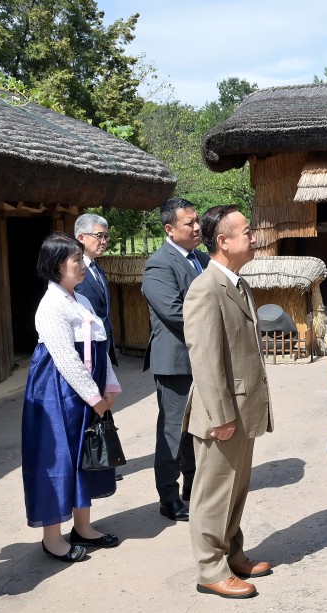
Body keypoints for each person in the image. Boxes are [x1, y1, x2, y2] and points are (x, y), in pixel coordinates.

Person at [183, 205, 273, 599]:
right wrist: (220, 415)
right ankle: (209, 569)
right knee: (214, 492)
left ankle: (232, 553)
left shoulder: (238, 283)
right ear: (223, 241)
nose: (253, 237)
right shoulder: (205, 289)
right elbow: (203, 358)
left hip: (243, 406)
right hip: (221, 411)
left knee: (236, 488)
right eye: (246, 231)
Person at [21, 233, 121, 564]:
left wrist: (109, 385)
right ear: (55, 266)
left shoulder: (81, 300)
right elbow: (65, 358)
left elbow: (99, 346)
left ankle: (83, 527)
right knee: (58, 459)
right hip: (58, 392)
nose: (81, 265)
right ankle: (52, 537)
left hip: (85, 391)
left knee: (85, 455)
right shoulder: (50, 306)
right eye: (75, 259)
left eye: (80, 258)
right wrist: (94, 398)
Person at [142, 198, 208, 521]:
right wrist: (214, 320)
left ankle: (192, 487)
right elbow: (174, 311)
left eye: (197, 221)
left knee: (197, 430)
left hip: (200, 359)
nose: (197, 228)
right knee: (173, 432)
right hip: (175, 362)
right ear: (169, 229)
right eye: (189, 223)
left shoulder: (202, 259)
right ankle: (167, 495)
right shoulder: (159, 264)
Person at [74, 213, 118, 367]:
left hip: (102, 342)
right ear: (81, 237)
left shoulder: (98, 269)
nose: (104, 242)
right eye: (99, 236)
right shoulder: (71, 272)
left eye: (106, 236)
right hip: (85, 346)